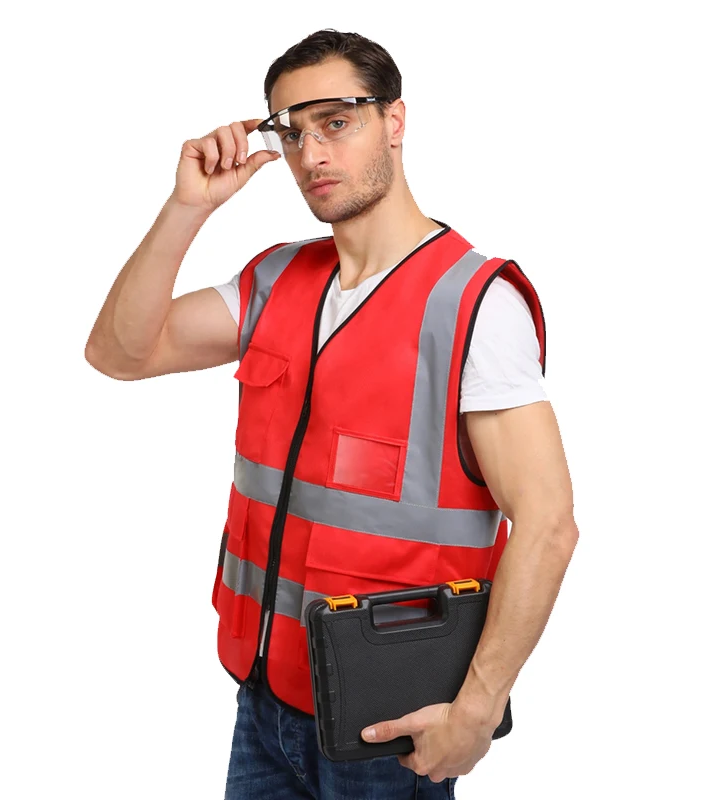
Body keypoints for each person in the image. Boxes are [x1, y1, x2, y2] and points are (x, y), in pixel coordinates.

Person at [85, 27, 578, 800]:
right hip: (263, 701)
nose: (311, 153)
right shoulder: (276, 279)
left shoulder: (473, 304)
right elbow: (119, 352)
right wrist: (187, 209)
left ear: (394, 120)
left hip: (391, 728)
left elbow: (548, 524)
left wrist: (477, 712)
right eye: (291, 132)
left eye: (336, 121)